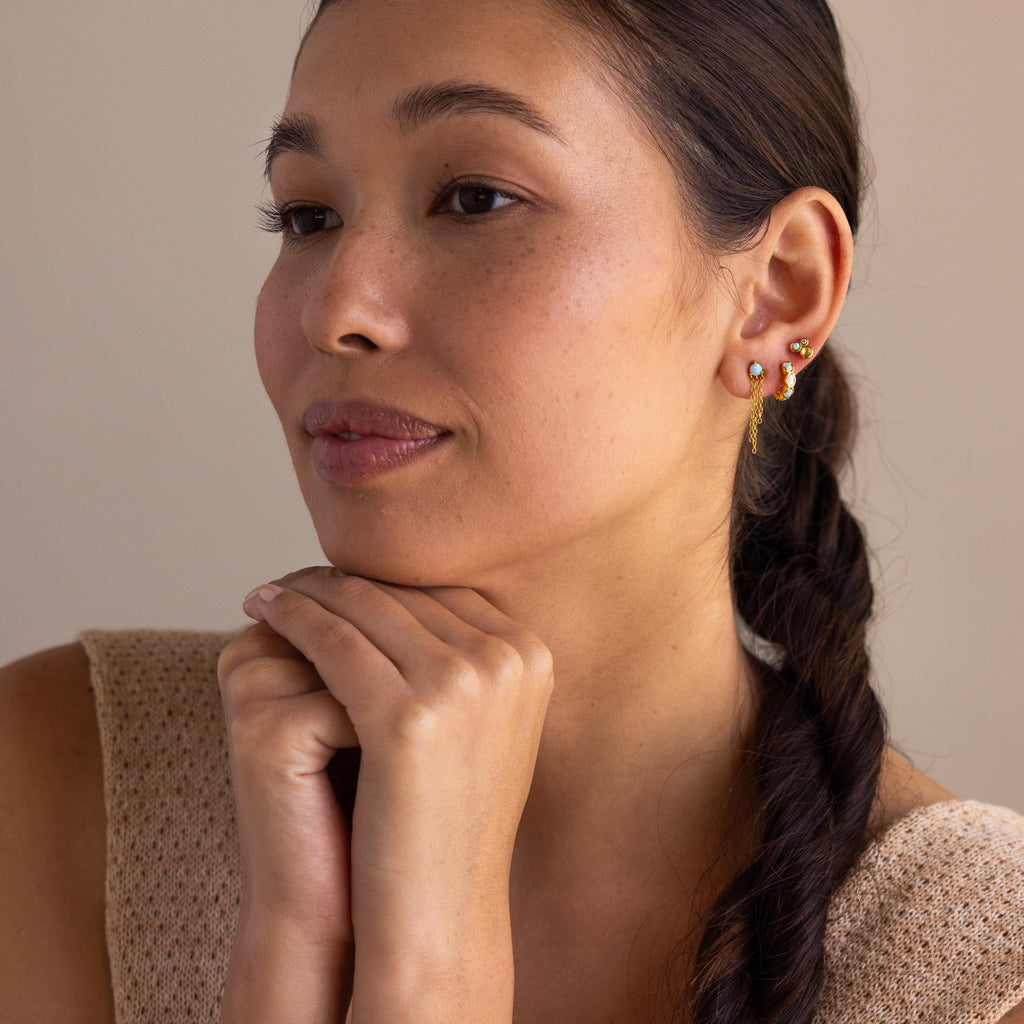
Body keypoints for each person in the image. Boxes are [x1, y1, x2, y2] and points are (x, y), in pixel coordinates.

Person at [2, 0, 1023, 1021]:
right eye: (309, 215)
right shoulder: (60, 792)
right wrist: (290, 949)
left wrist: (422, 985)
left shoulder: (980, 974)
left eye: (475, 198)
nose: (335, 308)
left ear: (776, 291)